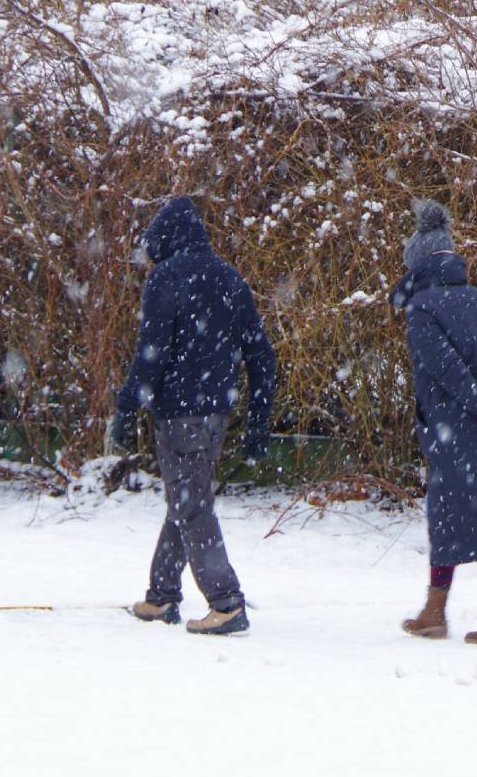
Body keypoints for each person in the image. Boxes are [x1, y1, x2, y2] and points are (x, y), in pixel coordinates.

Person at [111, 195, 277, 636]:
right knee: (186, 498)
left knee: (191, 503)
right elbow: (262, 354)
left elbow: (152, 354)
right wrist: (258, 420)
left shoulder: (166, 278)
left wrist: (127, 407)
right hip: (216, 412)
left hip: (179, 413)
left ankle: (226, 602)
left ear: (163, 239)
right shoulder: (229, 277)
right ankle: (162, 594)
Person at [391, 200, 477, 645]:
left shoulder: (423, 309)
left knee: (475, 513)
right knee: (450, 512)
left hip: (454, 426)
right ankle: (438, 610)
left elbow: (445, 368)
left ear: (418, 263)